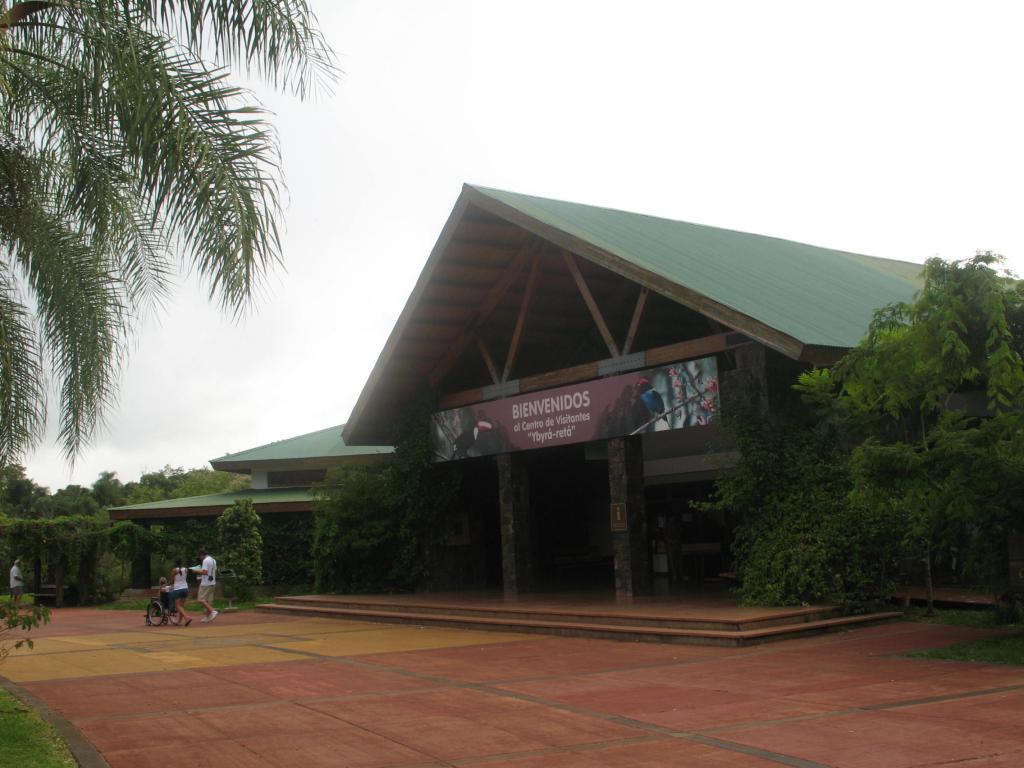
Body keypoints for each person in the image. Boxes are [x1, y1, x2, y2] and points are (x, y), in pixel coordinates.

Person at [193, 547, 219, 623]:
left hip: (205, 583)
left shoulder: (205, 561)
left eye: (200, 556)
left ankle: (212, 611)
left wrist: (196, 571)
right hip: (212, 582)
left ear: (202, 555)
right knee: (208, 601)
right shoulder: (213, 560)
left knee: (200, 599)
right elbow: (213, 570)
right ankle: (207, 617)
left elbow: (204, 572)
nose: (200, 558)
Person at [169, 560, 192, 626]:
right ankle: (179, 621)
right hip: (185, 588)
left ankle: (186, 618)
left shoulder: (174, 570)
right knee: (181, 606)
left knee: (177, 606)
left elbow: (172, 580)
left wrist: (170, 584)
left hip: (178, 589)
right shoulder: (185, 569)